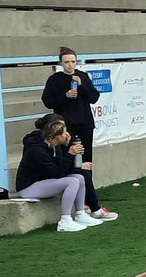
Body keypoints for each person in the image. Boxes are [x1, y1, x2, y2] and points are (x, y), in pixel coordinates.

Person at [39, 47, 117, 220]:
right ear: (61, 63)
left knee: (86, 162)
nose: (70, 65)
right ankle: (77, 201)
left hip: (85, 125)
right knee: (69, 161)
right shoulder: (54, 79)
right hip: (66, 127)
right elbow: (47, 101)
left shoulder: (82, 76)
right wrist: (65, 95)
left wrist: (81, 87)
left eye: (73, 61)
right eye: (66, 62)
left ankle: (89, 202)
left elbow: (94, 98)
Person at [14, 116, 102, 233]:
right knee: (72, 181)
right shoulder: (37, 150)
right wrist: (70, 154)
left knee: (79, 177)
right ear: (57, 136)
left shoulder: (53, 146)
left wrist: (66, 148)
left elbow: (60, 168)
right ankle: (65, 220)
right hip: (28, 187)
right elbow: (58, 173)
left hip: (43, 181)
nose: (67, 135)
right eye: (64, 132)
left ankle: (80, 214)